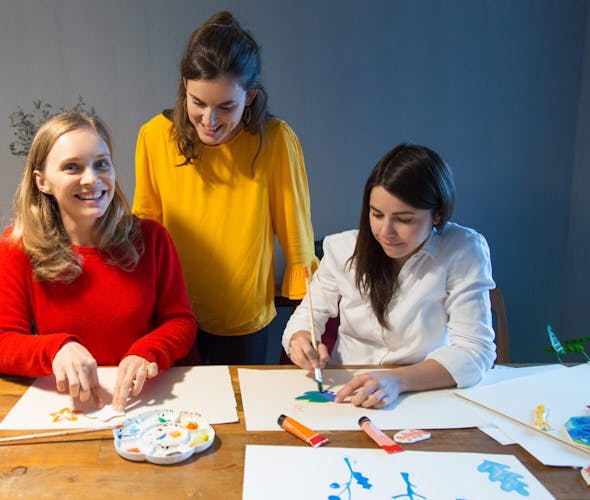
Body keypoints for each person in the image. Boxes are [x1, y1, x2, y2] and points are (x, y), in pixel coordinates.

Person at [133, 11, 318, 365]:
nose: (209, 120)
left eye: (226, 106)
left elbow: (297, 235)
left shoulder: (276, 140)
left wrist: (307, 315)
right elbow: (146, 225)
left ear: (249, 97)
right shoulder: (154, 135)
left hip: (242, 317)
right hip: (173, 310)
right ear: (184, 87)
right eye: (197, 103)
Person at [0, 112, 196, 411]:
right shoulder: (17, 246)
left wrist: (147, 352)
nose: (91, 179)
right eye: (72, 167)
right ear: (42, 181)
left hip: (147, 402)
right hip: (70, 406)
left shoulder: (152, 237)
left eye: (101, 164)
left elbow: (181, 322)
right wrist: (56, 348)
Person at [283, 143, 496, 408]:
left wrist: (398, 380)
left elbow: (476, 351)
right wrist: (300, 339)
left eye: (404, 220)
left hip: (423, 393)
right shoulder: (342, 249)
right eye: (376, 214)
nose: (386, 231)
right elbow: (306, 317)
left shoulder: (462, 249)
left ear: (438, 215)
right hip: (345, 392)